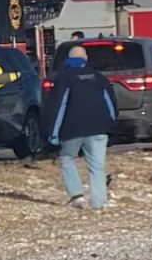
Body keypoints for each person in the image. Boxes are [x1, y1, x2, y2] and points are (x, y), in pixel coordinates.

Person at [42, 46, 117, 210]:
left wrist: (53, 133)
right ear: (86, 59)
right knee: (97, 167)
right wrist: (110, 125)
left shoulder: (63, 78)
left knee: (67, 158)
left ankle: (77, 196)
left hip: (72, 129)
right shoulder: (99, 77)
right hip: (99, 128)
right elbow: (111, 106)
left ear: (68, 59)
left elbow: (58, 107)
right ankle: (99, 202)